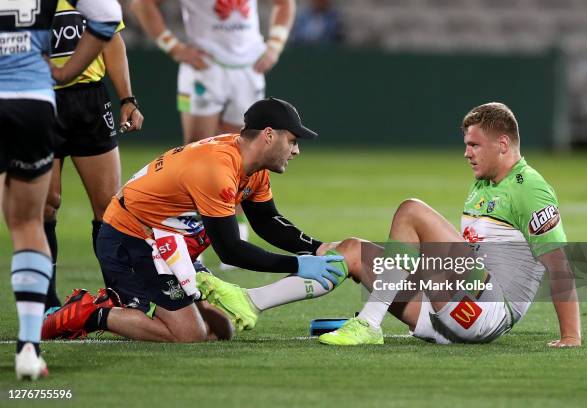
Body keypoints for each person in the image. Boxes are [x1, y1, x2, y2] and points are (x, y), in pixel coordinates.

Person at [194, 103, 582, 348]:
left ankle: (370, 322)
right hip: (446, 314)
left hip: (487, 310)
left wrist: (571, 336)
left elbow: (558, 264)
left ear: (503, 143)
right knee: (351, 251)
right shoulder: (483, 185)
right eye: (465, 144)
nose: (466, 152)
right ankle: (251, 302)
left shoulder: (530, 188)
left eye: (474, 145)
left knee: (412, 211)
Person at [42, 97, 346, 343]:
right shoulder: (217, 169)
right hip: (131, 238)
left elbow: (266, 221)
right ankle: (87, 313)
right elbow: (230, 251)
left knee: (221, 330)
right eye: (292, 140)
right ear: (268, 135)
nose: (297, 150)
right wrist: (298, 264)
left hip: (167, 243)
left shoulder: (252, 166)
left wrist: (316, 249)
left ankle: (132, 306)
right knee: (190, 335)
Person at [0, 0, 122, 380]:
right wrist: (66, 70)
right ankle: (28, 348)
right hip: (33, 100)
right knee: (27, 225)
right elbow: (107, 14)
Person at [130, 0, 296, 254]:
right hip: (204, 67)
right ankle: (184, 234)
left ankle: (235, 234)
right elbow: (142, 4)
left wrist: (274, 46)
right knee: (196, 151)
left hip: (248, 68)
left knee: (244, 153)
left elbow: (284, 4)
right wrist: (173, 47)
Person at [44, 0, 145, 311]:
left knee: (108, 207)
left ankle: (120, 296)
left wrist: (127, 98)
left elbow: (112, 40)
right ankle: (46, 302)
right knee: (45, 205)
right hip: (40, 100)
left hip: (89, 101)